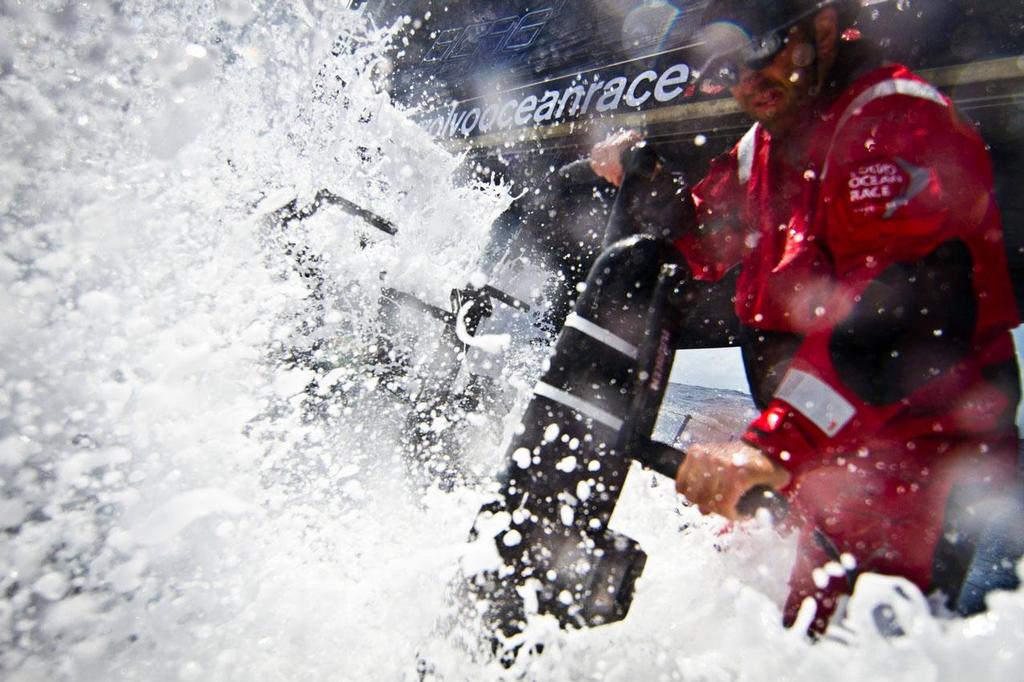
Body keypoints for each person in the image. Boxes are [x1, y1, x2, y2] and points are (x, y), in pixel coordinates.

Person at [589, 0, 1022, 632]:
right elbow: (702, 240)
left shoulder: (893, 121)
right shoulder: (764, 146)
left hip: (926, 462)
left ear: (821, 27)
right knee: (798, 634)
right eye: (726, 65)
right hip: (832, 461)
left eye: (762, 51)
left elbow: (899, 322)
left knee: (873, 652)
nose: (746, 80)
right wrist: (643, 176)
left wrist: (771, 447)